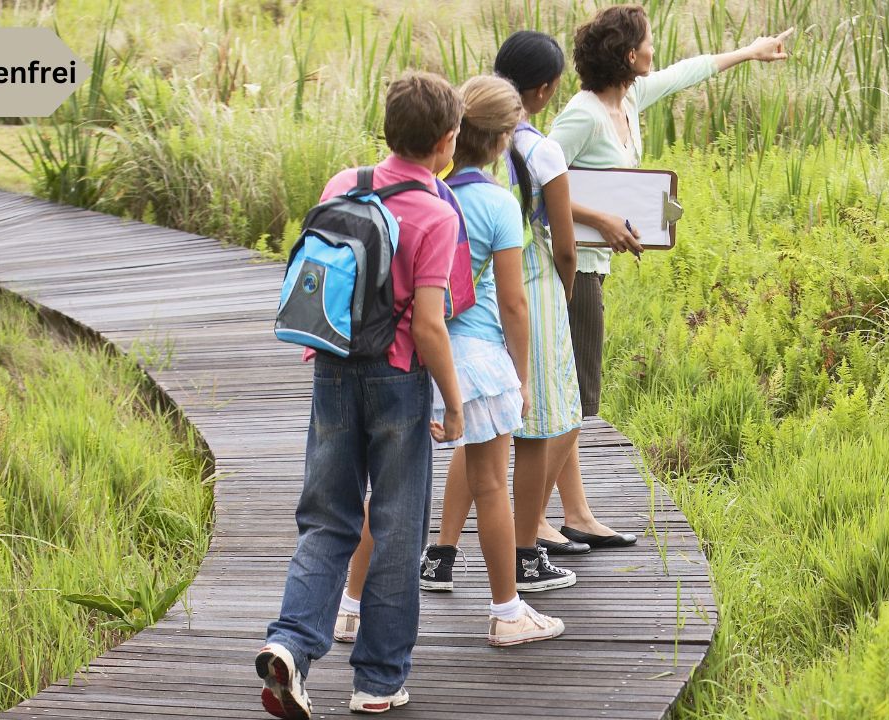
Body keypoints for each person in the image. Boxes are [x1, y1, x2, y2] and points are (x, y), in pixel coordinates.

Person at [540, 4, 793, 553]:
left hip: (593, 266)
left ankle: (577, 514)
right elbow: (540, 184)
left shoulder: (628, 100)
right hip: (571, 269)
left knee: (572, 391)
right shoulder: (583, 114)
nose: (656, 50)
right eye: (649, 42)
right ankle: (531, 520)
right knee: (579, 396)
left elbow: (687, 72)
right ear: (629, 55)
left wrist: (749, 53)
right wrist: (602, 219)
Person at [256, 70, 466, 719]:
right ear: (446, 142)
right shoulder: (436, 212)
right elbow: (430, 323)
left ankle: (290, 645)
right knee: (399, 528)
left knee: (328, 517)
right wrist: (454, 404)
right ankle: (377, 681)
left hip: (331, 367)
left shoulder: (342, 184)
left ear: (387, 128)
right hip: (398, 380)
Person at [337, 74, 568, 645]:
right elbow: (514, 303)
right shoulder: (495, 203)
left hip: (411, 355)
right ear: (502, 140)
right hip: (479, 360)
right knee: (492, 485)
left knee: (385, 492)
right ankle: (507, 613)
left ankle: (348, 606)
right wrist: (522, 374)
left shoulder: (422, 190)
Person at [421, 31, 583, 594]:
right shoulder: (505, 190)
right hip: (506, 321)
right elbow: (539, 273)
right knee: (540, 427)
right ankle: (521, 563)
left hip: (432, 336)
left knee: (468, 447)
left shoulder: (432, 192)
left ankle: (435, 556)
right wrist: (526, 365)